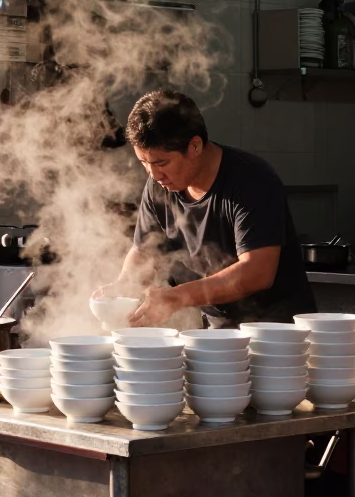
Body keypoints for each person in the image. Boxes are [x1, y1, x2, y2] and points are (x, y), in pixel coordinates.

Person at [117, 89, 316, 328]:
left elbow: (257, 272)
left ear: (195, 146)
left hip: (275, 332)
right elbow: (144, 251)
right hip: (219, 332)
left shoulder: (252, 180)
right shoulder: (158, 186)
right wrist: (122, 289)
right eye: (144, 162)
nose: (153, 174)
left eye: (162, 163)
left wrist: (177, 297)